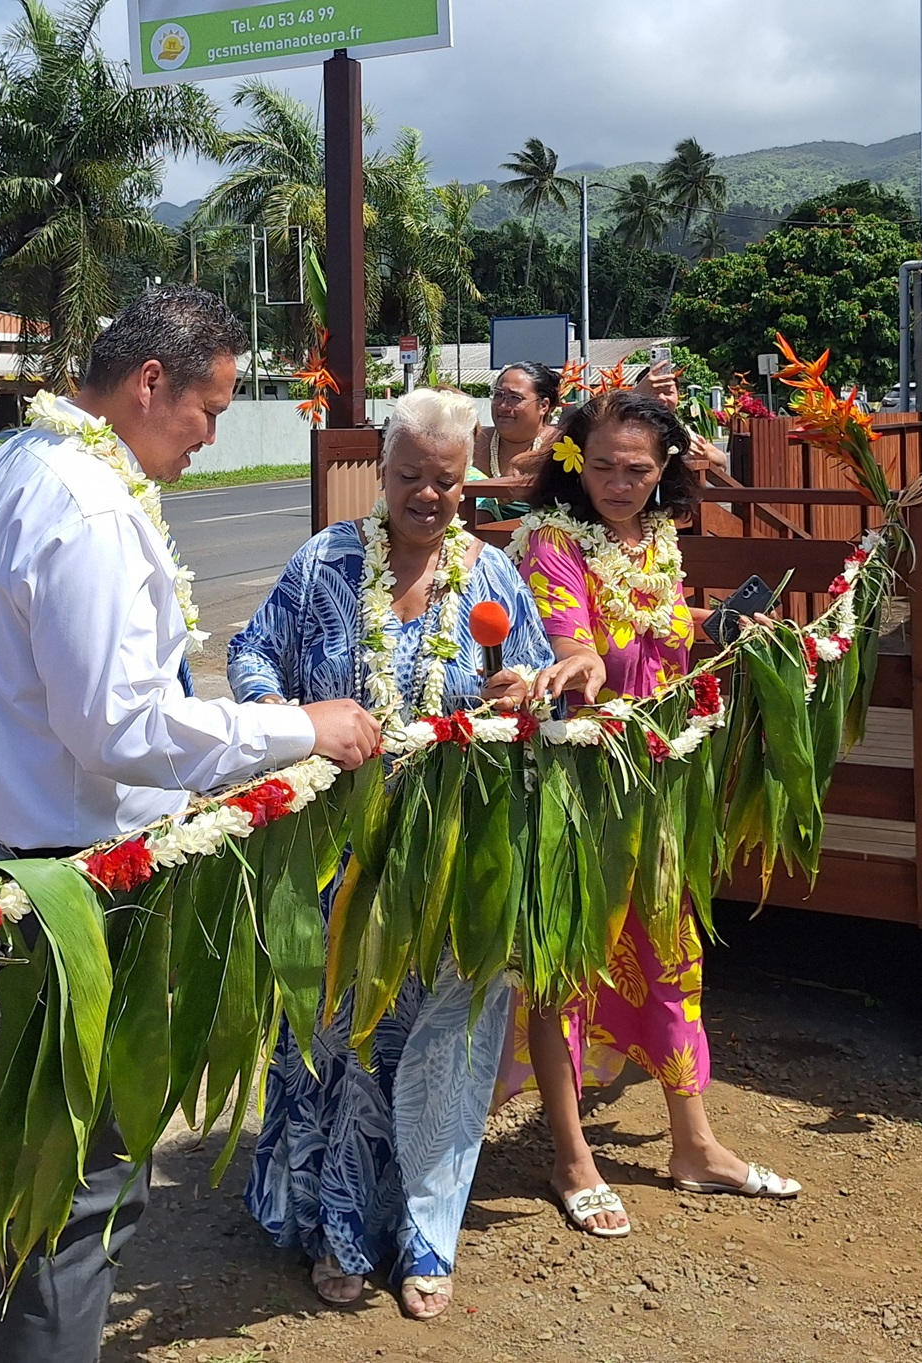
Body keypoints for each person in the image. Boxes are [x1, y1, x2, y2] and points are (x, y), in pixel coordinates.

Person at [0, 284, 382, 1363]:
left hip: (5, 856)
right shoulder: (91, 502)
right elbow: (120, 728)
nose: (213, 438)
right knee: (71, 1178)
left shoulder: (26, 462)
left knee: (13, 1160)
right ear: (149, 382)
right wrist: (293, 727)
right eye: (209, 408)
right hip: (62, 879)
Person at [230, 387, 564, 1320]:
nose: (427, 494)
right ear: (380, 472)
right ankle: (336, 1230)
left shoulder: (494, 579)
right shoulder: (325, 561)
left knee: (444, 1048)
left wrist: (524, 689)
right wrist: (288, 718)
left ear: (468, 480)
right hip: (339, 851)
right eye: (409, 475)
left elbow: (542, 696)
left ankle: (426, 1234)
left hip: (456, 855)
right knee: (335, 1040)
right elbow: (252, 653)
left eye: (446, 481)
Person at [508, 387, 796, 1237]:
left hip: (661, 775)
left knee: (672, 953)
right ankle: (570, 1156)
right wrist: (584, 663)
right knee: (564, 956)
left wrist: (725, 627)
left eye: (638, 468)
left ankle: (694, 1143)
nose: (619, 483)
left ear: (665, 466)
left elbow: (661, 633)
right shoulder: (551, 541)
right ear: (573, 461)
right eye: (601, 466)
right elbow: (575, 642)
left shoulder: (659, 535)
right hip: (580, 779)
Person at [632, 350, 729, 483]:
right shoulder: (627, 426)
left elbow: (722, 461)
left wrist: (705, 453)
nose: (661, 398)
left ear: (678, 394)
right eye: (653, 392)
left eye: (668, 392)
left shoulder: (681, 428)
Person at [475, 361, 560, 487]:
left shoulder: (561, 445)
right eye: (498, 395)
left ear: (543, 406)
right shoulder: (472, 443)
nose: (503, 406)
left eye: (515, 398)